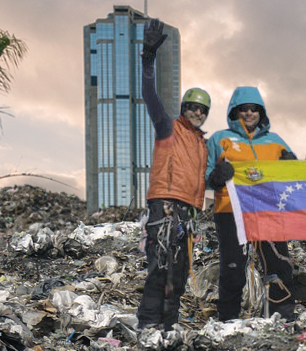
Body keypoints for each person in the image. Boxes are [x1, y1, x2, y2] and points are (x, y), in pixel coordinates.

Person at [136, 18, 211, 331]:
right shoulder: (168, 127)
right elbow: (149, 95)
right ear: (183, 108)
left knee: (178, 272)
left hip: (189, 213)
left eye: (202, 109)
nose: (196, 112)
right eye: (191, 107)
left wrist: (218, 177)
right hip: (165, 207)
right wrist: (148, 57)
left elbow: (201, 179)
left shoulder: (202, 144)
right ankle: (149, 326)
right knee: (160, 268)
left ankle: (167, 328)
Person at [206, 86, 297, 321]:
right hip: (231, 212)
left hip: (269, 212)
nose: (249, 114)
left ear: (261, 113)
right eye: (244, 109)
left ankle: (281, 318)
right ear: (235, 111)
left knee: (278, 266)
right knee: (234, 269)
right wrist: (215, 177)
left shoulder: (275, 142)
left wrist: (292, 164)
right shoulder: (220, 139)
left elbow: (294, 177)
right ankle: (228, 320)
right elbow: (204, 175)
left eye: (254, 109)